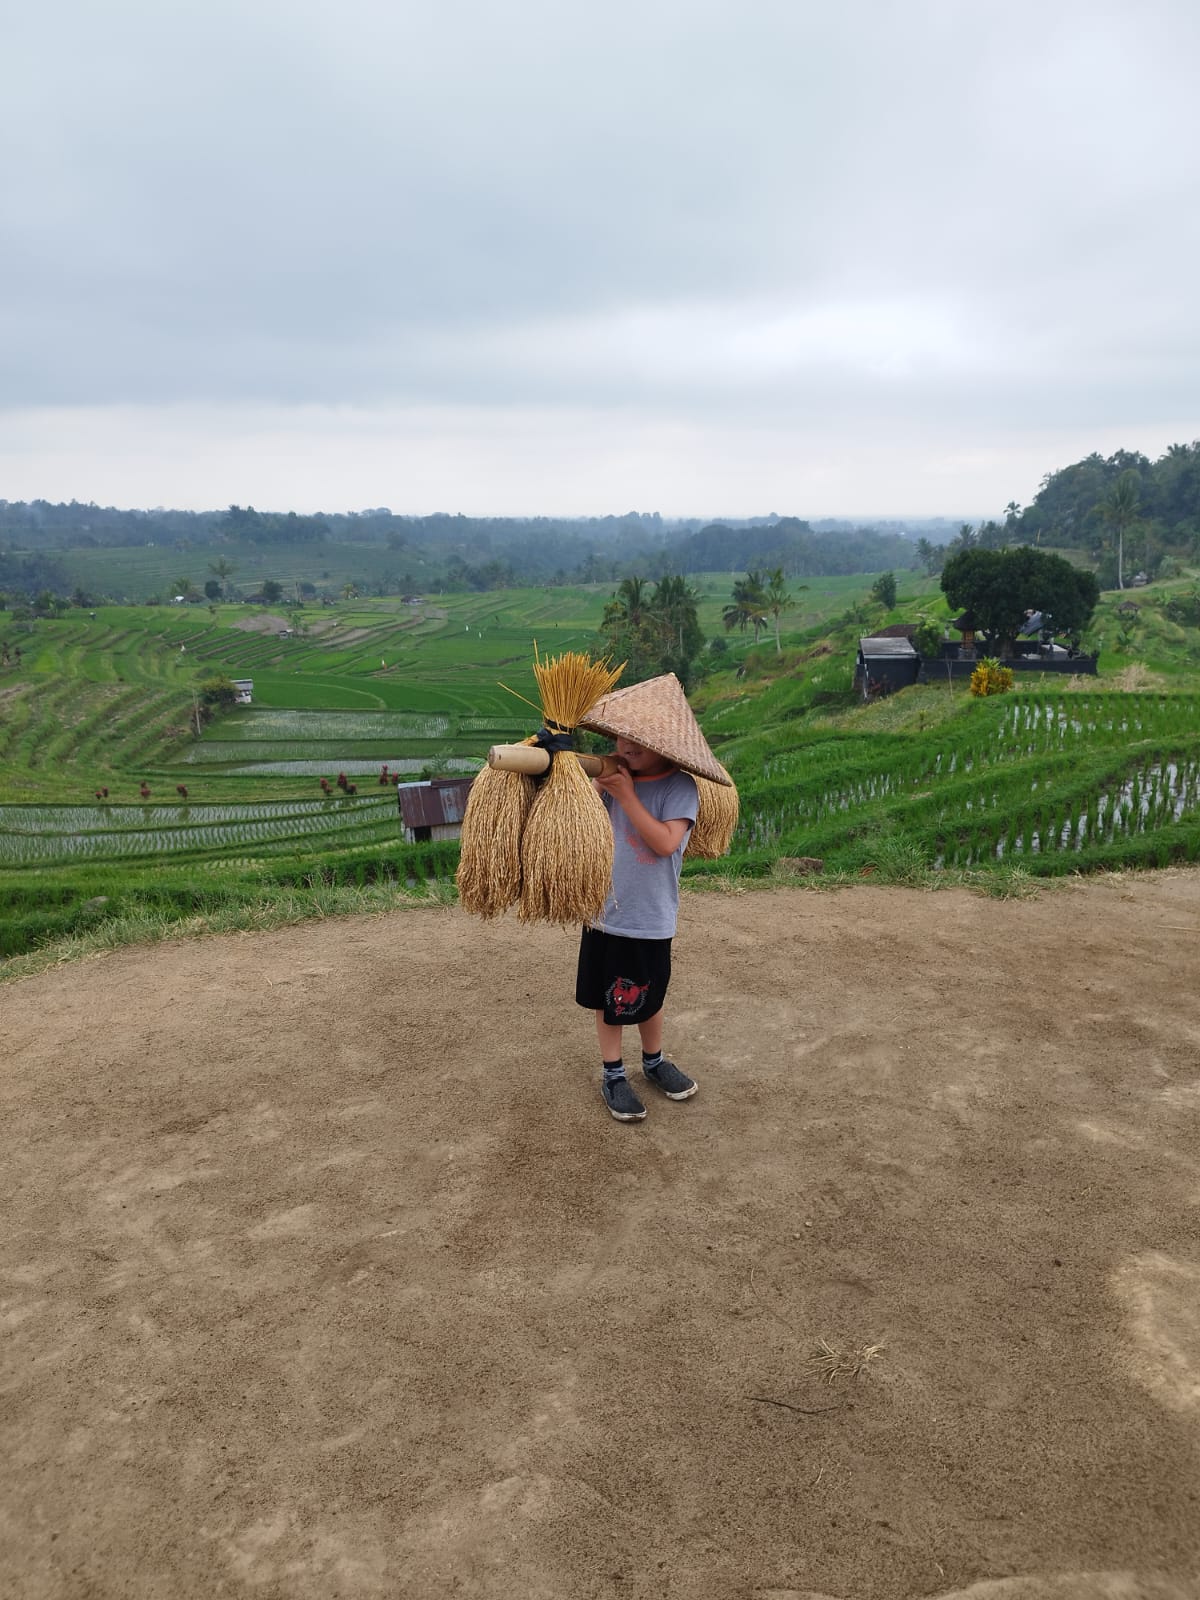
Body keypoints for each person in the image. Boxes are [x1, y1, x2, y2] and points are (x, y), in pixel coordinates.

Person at [575, 736, 700, 1122]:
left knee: (650, 995)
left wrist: (627, 795)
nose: (628, 747)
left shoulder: (679, 786)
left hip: (650, 917)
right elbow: (579, 826)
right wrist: (598, 787)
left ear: (666, 743)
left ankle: (653, 1061)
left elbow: (666, 843)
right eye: (622, 738)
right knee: (605, 998)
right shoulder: (611, 779)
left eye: (640, 741)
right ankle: (613, 1073)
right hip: (604, 913)